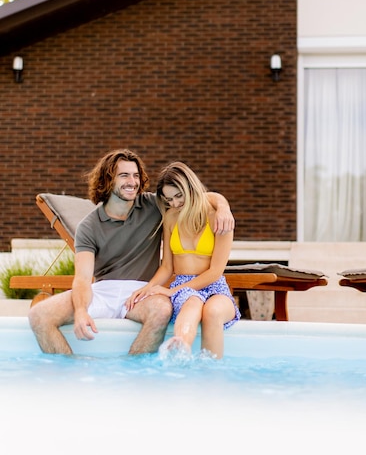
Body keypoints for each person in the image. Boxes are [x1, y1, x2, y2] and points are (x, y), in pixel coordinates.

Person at [28, 149, 234, 355]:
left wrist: (223, 206)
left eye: (136, 176)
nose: (132, 181)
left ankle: (134, 376)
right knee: (38, 315)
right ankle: (73, 373)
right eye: (124, 175)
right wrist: (81, 311)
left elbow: (194, 196)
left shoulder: (155, 205)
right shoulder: (88, 226)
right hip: (102, 291)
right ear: (107, 180)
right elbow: (82, 279)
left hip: (141, 292)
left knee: (162, 310)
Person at [125, 161, 240, 359]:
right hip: (183, 287)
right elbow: (167, 267)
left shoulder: (218, 218)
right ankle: (180, 347)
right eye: (169, 199)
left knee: (212, 312)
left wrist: (170, 291)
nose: (175, 203)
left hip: (215, 287)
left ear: (191, 188)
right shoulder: (170, 217)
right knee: (192, 301)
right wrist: (149, 287)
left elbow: (215, 272)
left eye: (179, 196)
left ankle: (212, 374)